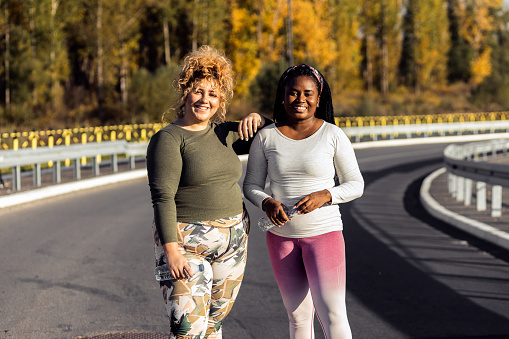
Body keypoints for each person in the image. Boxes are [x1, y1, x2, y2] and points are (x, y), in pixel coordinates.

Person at [146, 45, 269, 339]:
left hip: (233, 242)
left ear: (221, 99)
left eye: (213, 94)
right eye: (199, 91)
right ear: (185, 92)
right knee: (188, 330)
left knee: (214, 325)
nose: (205, 100)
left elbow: (272, 139)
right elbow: (162, 197)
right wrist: (172, 251)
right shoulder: (169, 139)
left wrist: (260, 119)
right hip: (187, 246)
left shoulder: (226, 132)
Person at [243, 64, 364, 339]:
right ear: (282, 96)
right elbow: (250, 185)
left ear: (318, 98)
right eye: (293, 93)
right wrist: (267, 203)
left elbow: (356, 184)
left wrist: (327, 195)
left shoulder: (332, 135)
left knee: (333, 315)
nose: (301, 100)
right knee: (297, 317)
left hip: (324, 236)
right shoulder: (266, 137)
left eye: (308, 94)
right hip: (281, 238)